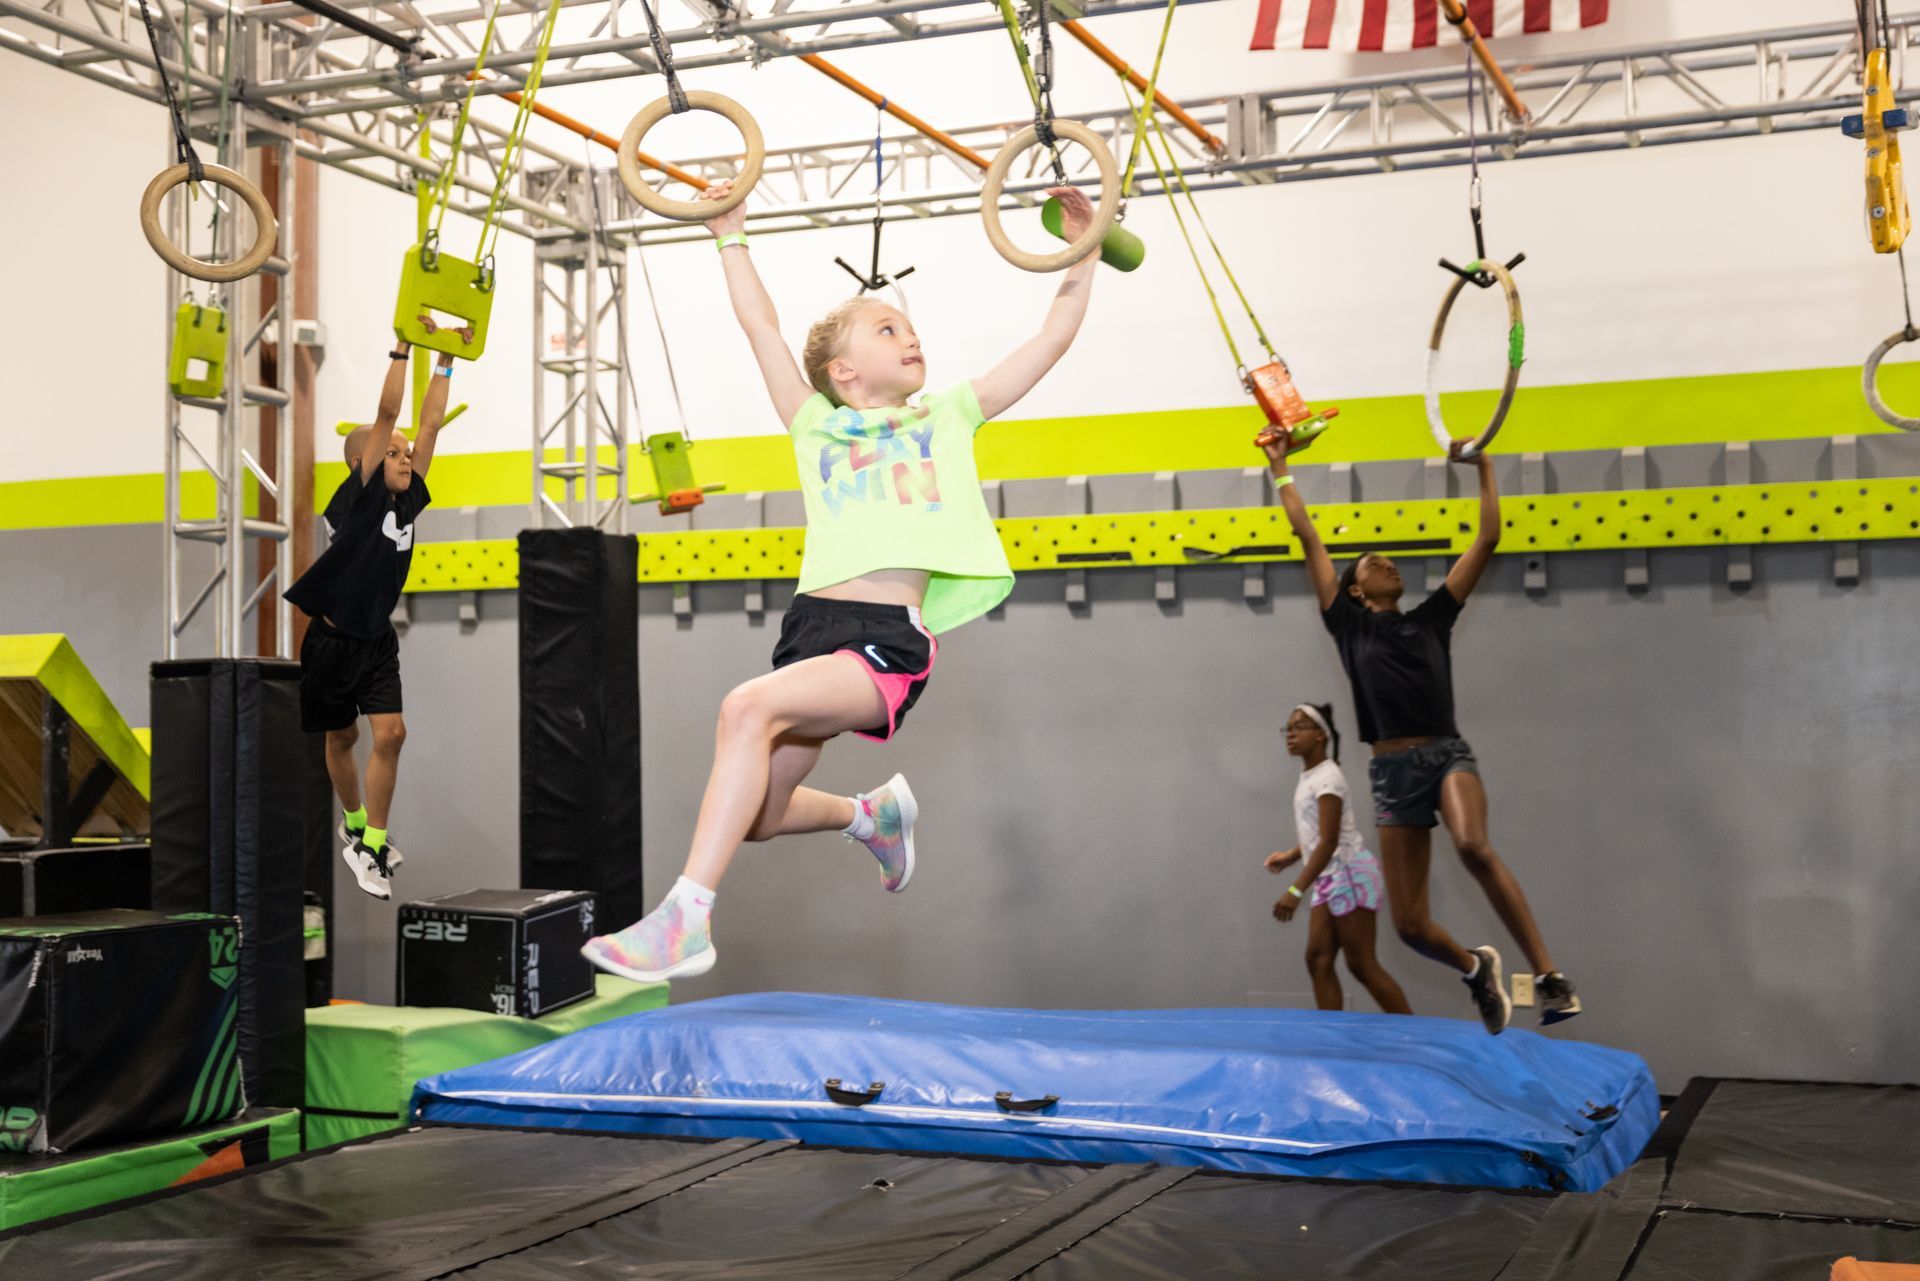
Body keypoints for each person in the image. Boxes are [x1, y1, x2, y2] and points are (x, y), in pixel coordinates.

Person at [581, 180, 1104, 983]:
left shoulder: (949, 414)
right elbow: (760, 327)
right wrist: (730, 234)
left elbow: (1054, 340)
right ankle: (872, 814)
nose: (910, 335)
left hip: (888, 640)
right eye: (888, 327)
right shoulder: (811, 419)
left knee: (744, 706)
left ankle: (684, 919)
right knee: (756, 815)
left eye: (911, 326)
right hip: (811, 631)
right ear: (843, 369)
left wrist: (1084, 249)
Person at [1259, 427, 1581, 1034]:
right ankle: (1473, 968)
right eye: (1370, 562)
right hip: (1391, 771)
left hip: (1445, 753)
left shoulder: (1434, 619)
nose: (1385, 562)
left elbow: (1487, 537)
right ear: (1355, 590)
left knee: (1472, 845)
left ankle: (1548, 975)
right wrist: (1281, 467)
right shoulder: (1347, 627)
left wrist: (1483, 466)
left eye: (1391, 560)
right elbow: (1307, 535)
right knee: (1407, 926)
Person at [287, 324, 463, 900]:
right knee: (341, 739)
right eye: (392, 452)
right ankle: (355, 820)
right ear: (363, 461)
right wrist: (404, 348)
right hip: (331, 642)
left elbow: (428, 423)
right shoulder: (358, 496)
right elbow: (387, 412)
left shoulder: (409, 495)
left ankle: (371, 845)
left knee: (392, 733)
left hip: (375, 640)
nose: (405, 456)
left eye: (407, 453)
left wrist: (445, 360)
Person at [1267, 702, 1411, 1016]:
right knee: (1317, 959)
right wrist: (1292, 855)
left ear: (1321, 735)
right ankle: (1330, 1033)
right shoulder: (1310, 774)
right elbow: (1320, 834)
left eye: (1299, 727)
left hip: (1349, 875)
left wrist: (1294, 892)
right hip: (1328, 876)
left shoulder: (1328, 777)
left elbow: (1330, 842)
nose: (1290, 734)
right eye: (1288, 728)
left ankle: (1415, 1035)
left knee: (1361, 965)